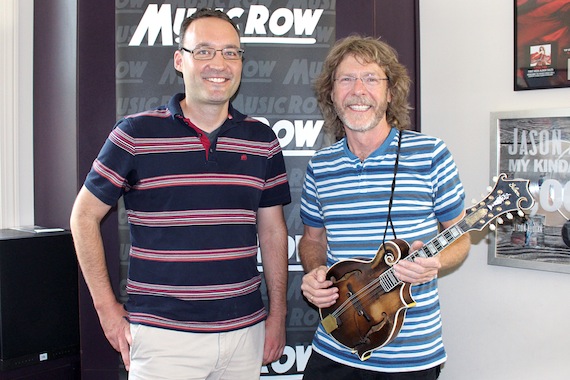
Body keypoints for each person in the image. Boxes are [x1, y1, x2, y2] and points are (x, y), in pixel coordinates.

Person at [70, 8, 290, 380]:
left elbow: (272, 231)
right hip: (163, 340)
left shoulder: (261, 140)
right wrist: (107, 309)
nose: (218, 63)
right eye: (203, 51)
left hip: (245, 334)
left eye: (230, 52)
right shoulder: (135, 134)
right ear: (179, 60)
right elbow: (83, 216)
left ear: (240, 62)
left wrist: (278, 314)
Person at [299, 35, 471, 379]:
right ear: (331, 94)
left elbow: (462, 237)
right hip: (334, 345)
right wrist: (314, 272)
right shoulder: (320, 166)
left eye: (371, 78)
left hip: (411, 358)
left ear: (390, 93)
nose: (358, 89)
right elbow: (312, 240)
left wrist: (435, 262)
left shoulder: (431, 154)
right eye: (346, 79)